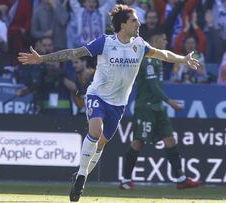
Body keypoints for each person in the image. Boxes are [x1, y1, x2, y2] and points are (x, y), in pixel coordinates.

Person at [18, 4, 201, 202]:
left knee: (102, 142)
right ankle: (81, 175)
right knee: (95, 131)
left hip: (118, 104)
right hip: (97, 96)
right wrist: (42, 58)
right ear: (123, 24)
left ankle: (83, 174)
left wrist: (183, 59)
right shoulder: (105, 43)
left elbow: (162, 54)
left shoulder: (139, 45)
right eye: (134, 20)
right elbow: (73, 53)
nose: (138, 23)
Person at [120, 30, 202, 190]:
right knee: (138, 141)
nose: (165, 41)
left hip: (158, 108)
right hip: (146, 108)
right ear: (155, 40)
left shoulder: (158, 61)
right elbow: (153, 86)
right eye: (163, 38)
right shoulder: (148, 60)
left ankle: (181, 178)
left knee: (170, 140)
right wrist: (169, 101)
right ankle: (125, 180)